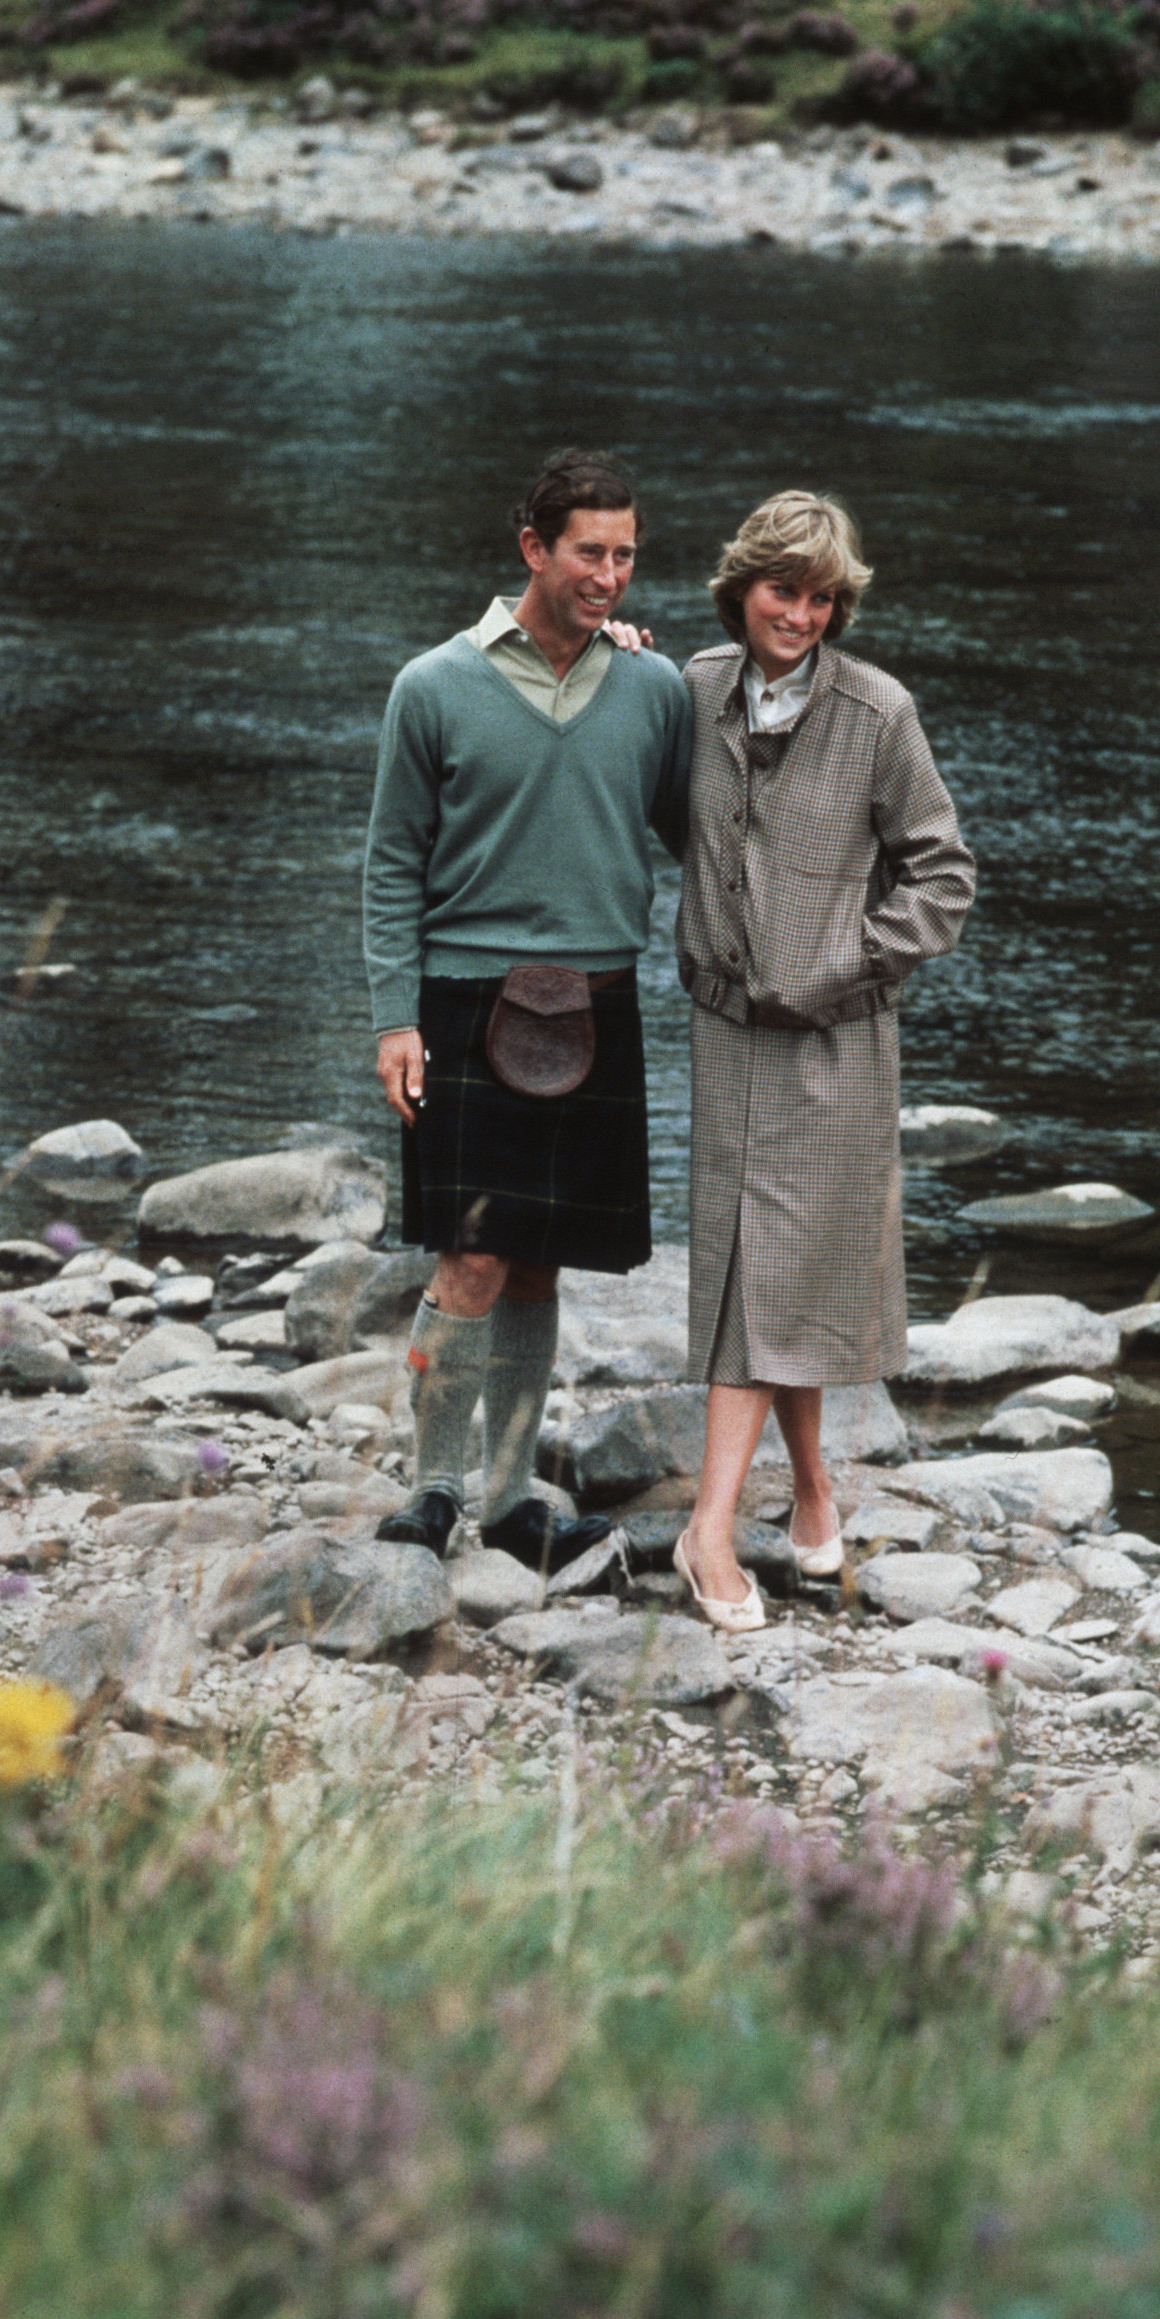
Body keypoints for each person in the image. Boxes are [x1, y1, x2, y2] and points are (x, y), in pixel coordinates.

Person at [362, 448, 693, 1572]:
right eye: (588, 552)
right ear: (532, 550)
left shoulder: (651, 690)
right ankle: (431, 1489)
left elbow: (699, 832)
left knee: (540, 1259)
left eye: (626, 555)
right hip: (463, 999)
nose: (609, 574)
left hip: (595, 1003)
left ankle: (509, 1498)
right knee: (469, 1261)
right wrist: (391, 1018)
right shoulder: (432, 685)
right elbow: (389, 863)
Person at [671, 491, 977, 1630]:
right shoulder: (690, 691)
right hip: (720, 1035)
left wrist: (843, 965)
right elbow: (678, 825)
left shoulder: (878, 712)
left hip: (834, 1043)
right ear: (739, 588)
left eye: (818, 596)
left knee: (773, 1268)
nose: (797, 612)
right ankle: (807, 1494)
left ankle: (705, 1532)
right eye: (778, 589)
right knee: (758, 1269)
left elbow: (942, 879)